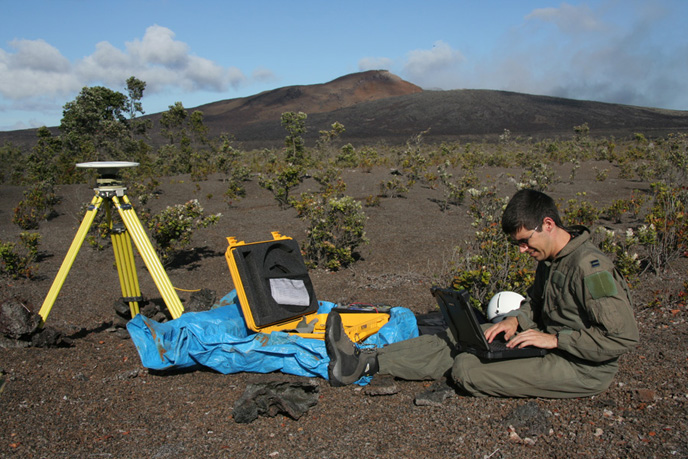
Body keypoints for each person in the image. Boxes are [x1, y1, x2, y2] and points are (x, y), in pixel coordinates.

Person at [325, 189, 640, 398]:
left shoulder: (591, 268)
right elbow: (537, 304)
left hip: (582, 367)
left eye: (525, 241)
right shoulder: (551, 259)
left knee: (466, 368)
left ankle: (379, 363)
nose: (522, 250)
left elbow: (621, 338)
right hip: (547, 341)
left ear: (548, 224)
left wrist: (556, 340)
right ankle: (365, 361)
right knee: (474, 337)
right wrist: (517, 320)